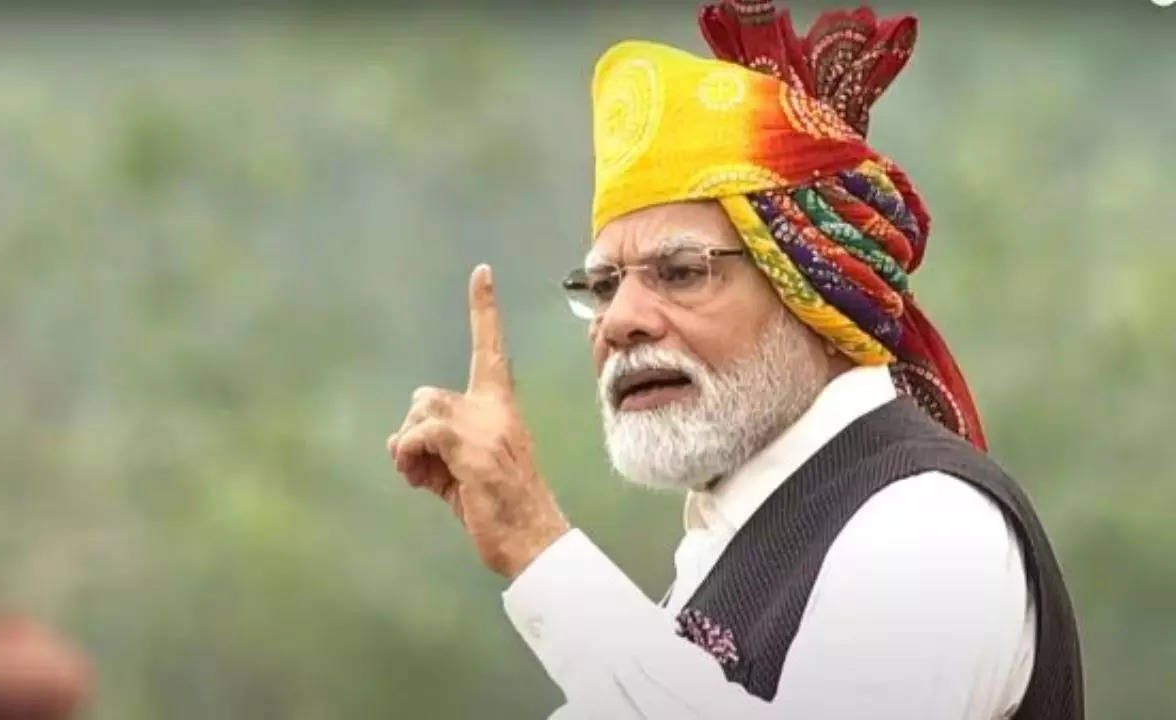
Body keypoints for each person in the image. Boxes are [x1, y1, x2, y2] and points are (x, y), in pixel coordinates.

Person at [386, 2, 1084, 718]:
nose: (619, 320)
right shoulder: (733, 540)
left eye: (681, 272)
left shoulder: (928, 525)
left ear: (811, 287)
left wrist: (537, 544)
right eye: (602, 285)